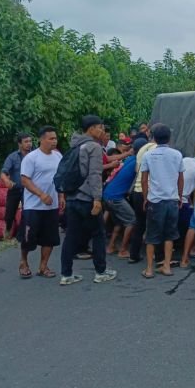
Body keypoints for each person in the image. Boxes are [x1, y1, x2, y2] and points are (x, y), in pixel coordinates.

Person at [59, 115, 117, 286]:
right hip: (87, 199)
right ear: (91, 129)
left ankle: (66, 274)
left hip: (72, 198)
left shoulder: (75, 145)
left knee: (71, 236)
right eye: (99, 127)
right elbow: (94, 175)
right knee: (98, 233)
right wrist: (97, 199)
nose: (102, 131)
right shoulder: (94, 147)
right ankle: (101, 271)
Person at [139, 124, 184, 278]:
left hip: (155, 201)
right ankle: (166, 266)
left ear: (154, 138)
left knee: (151, 235)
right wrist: (179, 195)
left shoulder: (148, 155)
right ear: (169, 138)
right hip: (172, 200)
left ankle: (150, 269)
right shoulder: (177, 155)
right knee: (170, 234)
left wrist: (145, 198)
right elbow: (180, 178)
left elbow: (144, 179)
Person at [19, 126, 62, 279]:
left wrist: (61, 196)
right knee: (28, 237)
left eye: (55, 138)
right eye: (51, 138)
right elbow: (25, 180)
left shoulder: (58, 157)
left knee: (49, 238)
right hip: (33, 205)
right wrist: (41, 194)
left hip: (52, 205)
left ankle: (43, 266)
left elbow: (60, 179)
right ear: (41, 140)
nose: (54, 141)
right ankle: (24, 262)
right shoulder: (31, 158)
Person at [102, 138, 144, 258]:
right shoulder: (139, 162)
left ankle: (111, 246)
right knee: (132, 220)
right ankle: (123, 250)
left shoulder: (130, 159)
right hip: (116, 197)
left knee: (120, 222)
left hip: (108, 194)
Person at [128, 137, 156, 263]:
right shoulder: (157, 150)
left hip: (137, 191)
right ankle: (156, 256)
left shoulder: (141, 150)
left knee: (139, 224)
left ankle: (133, 255)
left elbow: (136, 170)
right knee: (154, 225)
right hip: (149, 191)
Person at [0, 132, 33, 239]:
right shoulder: (13, 157)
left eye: (30, 141)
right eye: (26, 142)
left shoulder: (35, 156)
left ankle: (25, 234)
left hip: (30, 189)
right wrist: (6, 180)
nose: (29, 144)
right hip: (15, 189)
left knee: (28, 212)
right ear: (19, 144)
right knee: (9, 213)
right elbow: (4, 171)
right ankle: (8, 229)